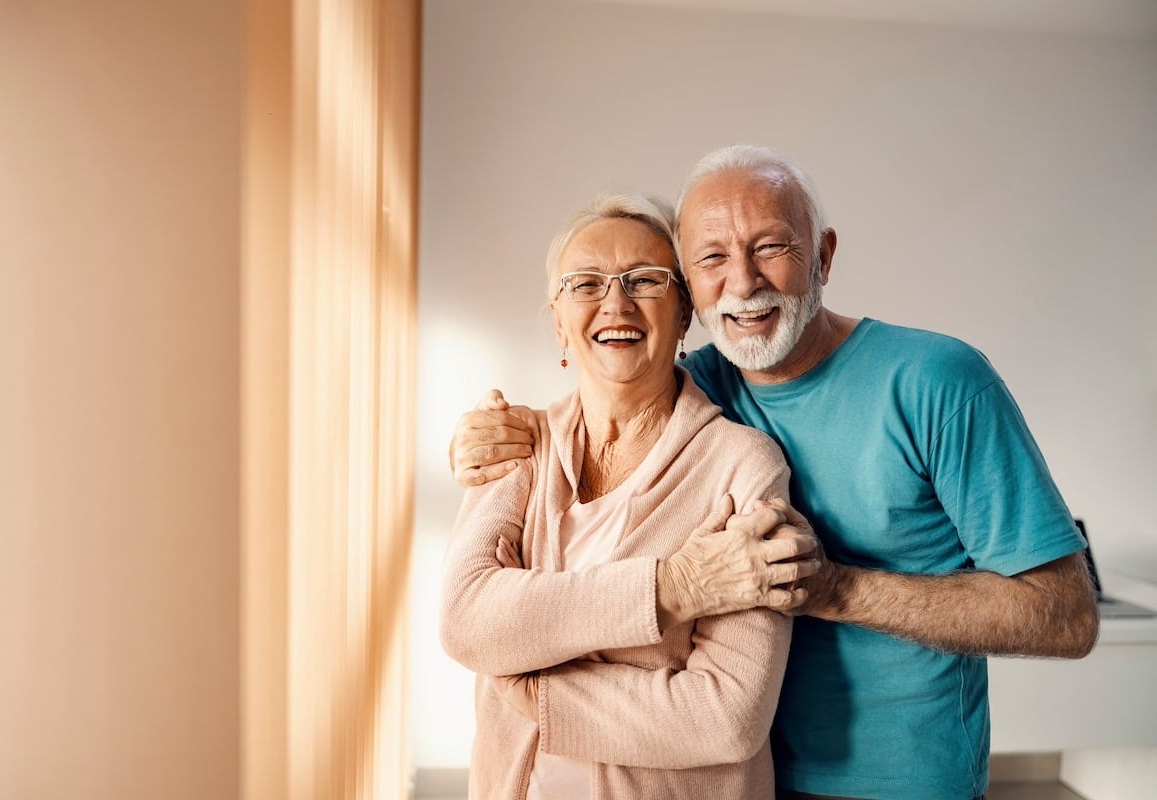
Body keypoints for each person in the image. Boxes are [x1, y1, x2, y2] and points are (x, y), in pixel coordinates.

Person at [449, 145, 1100, 800]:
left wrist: (831, 588)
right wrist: (491, 438)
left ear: (822, 256)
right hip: (743, 780)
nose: (742, 282)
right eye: (711, 258)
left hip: (899, 781)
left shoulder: (938, 382)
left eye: (771, 248)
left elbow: (1065, 615)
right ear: (692, 294)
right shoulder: (700, 386)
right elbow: (611, 388)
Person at [439, 193, 818, 800]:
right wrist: (676, 587)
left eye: (644, 279)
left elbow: (726, 717)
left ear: (684, 311)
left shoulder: (742, 464)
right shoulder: (515, 443)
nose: (615, 302)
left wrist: (538, 689)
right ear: (559, 317)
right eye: (584, 283)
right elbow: (466, 623)